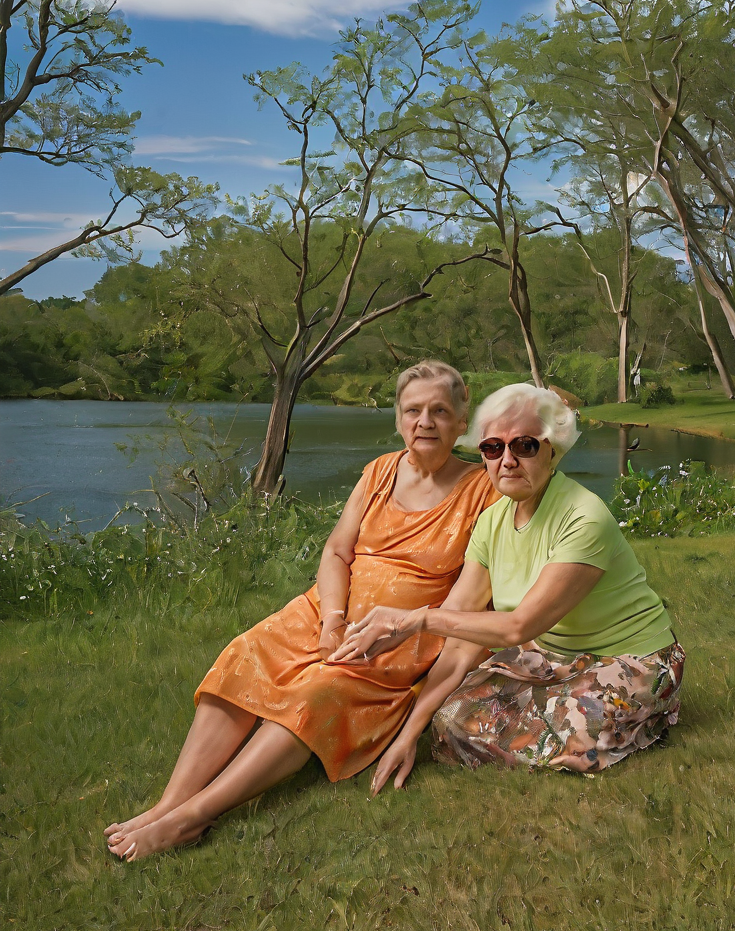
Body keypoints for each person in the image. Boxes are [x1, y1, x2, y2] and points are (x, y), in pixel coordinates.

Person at [104, 361, 498, 860]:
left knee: (315, 692)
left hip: (398, 638)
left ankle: (191, 819)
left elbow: (469, 600)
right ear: (399, 418)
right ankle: (170, 802)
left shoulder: (483, 490)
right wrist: (332, 618)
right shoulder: (380, 471)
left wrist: (399, 633)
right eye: (413, 410)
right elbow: (336, 552)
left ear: (462, 422)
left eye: (439, 411)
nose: (425, 422)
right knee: (245, 653)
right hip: (326, 610)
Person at [335, 383, 686, 791]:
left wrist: (412, 620)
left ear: (552, 449)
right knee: (448, 720)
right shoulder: (491, 522)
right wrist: (410, 733)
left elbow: (518, 627)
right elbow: (458, 642)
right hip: (553, 656)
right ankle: (584, 718)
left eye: (524, 446)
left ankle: (649, 714)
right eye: (492, 448)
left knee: (573, 726)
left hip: (633, 657)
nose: (507, 460)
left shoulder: (584, 516)